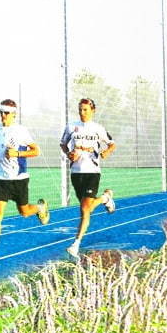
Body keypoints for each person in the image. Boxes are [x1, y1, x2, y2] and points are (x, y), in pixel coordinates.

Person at [0, 99, 50, 266]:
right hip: (1, 179)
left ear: (14, 114)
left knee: (24, 212)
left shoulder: (21, 131)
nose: (3, 115)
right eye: (1, 112)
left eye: (6, 113)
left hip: (19, 179)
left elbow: (36, 151)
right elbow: (0, 144)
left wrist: (17, 154)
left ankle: (40, 207)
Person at [59, 97, 118, 258]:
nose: (82, 112)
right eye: (80, 109)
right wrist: (69, 153)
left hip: (92, 171)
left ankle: (75, 245)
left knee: (85, 209)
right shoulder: (71, 127)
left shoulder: (98, 128)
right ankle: (106, 198)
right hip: (76, 172)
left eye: (85, 109)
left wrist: (107, 151)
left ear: (92, 110)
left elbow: (112, 143)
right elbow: (63, 144)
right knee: (88, 207)